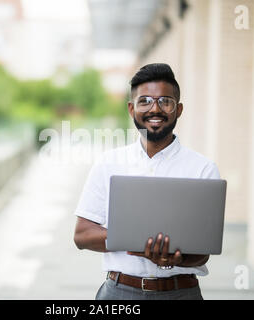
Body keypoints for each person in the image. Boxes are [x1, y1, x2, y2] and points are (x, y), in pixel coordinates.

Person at [73, 63, 220, 300]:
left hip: (181, 294)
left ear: (179, 109)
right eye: (145, 101)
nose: (155, 109)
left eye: (165, 101)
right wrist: (134, 240)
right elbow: (82, 235)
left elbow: (204, 252)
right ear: (131, 109)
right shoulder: (108, 163)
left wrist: (177, 258)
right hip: (119, 293)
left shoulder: (202, 169)